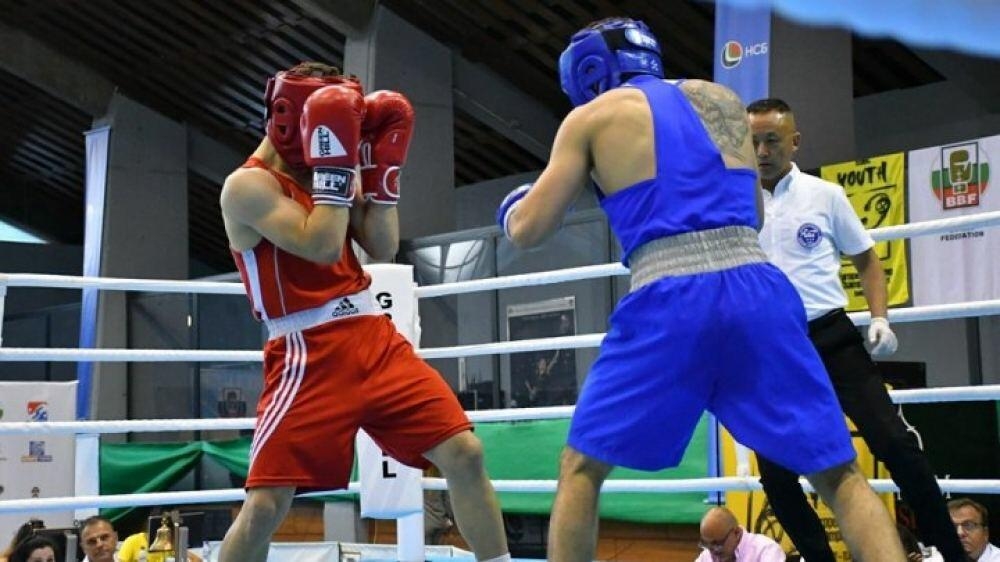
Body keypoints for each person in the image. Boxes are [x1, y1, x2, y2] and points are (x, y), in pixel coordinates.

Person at [496, 17, 905, 562]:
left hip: (671, 296)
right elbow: (754, 214)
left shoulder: (590, 117)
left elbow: (529, 231)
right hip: (757, 286)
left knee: (581, 468)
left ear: (589, 72)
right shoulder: (722, 99)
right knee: (841, 474)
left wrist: (510, 212)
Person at [218, 61, 509, 562]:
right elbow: (324, 246)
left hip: (372, 336)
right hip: (306, 354)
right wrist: (336, 168)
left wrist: (380, 176)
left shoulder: (325, 169)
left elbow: (382, 245)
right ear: (291, 117)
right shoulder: (247, 188)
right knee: (266, 505)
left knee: (465, 453)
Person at [746, 97, 966, 562]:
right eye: (754, 141)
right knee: (776, 474)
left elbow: (866, 257)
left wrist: (880, 315)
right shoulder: (732, 203)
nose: (762, 150)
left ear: (794, 141)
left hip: (831, 336)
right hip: (771, 349)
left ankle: (951, 552)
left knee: (896, 445)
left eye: (772, 140)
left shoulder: (824, 195)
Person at [696, 507, 785, 562]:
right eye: (706, 544)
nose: (713, 552)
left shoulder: (766, 550)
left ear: (736, 533)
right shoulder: (706, 556)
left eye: (718, 544)